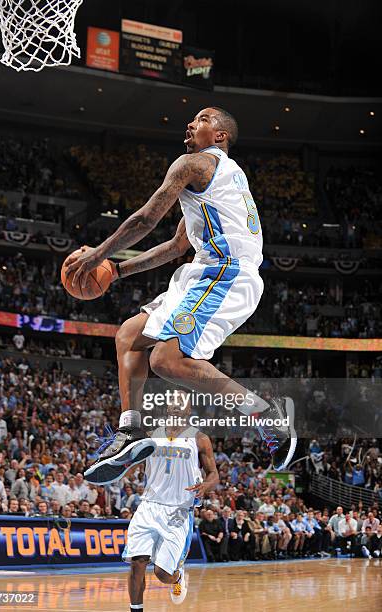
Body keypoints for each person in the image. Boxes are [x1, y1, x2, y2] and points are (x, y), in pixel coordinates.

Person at [65, 107, 296, 484]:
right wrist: (119, 271)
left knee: (166, 358)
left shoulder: (196, 164)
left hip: (227, 272)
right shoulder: (219, 183)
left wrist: (100, 254)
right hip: (202, 271)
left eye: (203, 119)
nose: (190, 124)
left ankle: (265, 415)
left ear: (220, 136)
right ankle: (131, 429)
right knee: (128, 336)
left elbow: (145, 219)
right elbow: (175, 247)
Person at [122, 392, 218, 610]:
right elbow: (132, 462)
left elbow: (214, 474)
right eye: (172, 403)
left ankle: (177, 578)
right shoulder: (150, 435)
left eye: (181, 403)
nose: (176, 406)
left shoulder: (199, 438)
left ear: (188, 410)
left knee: (162, 574)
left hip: (178, 512)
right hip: (148, 506)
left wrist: (204, 486)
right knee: (137, 563)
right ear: (166, 408)